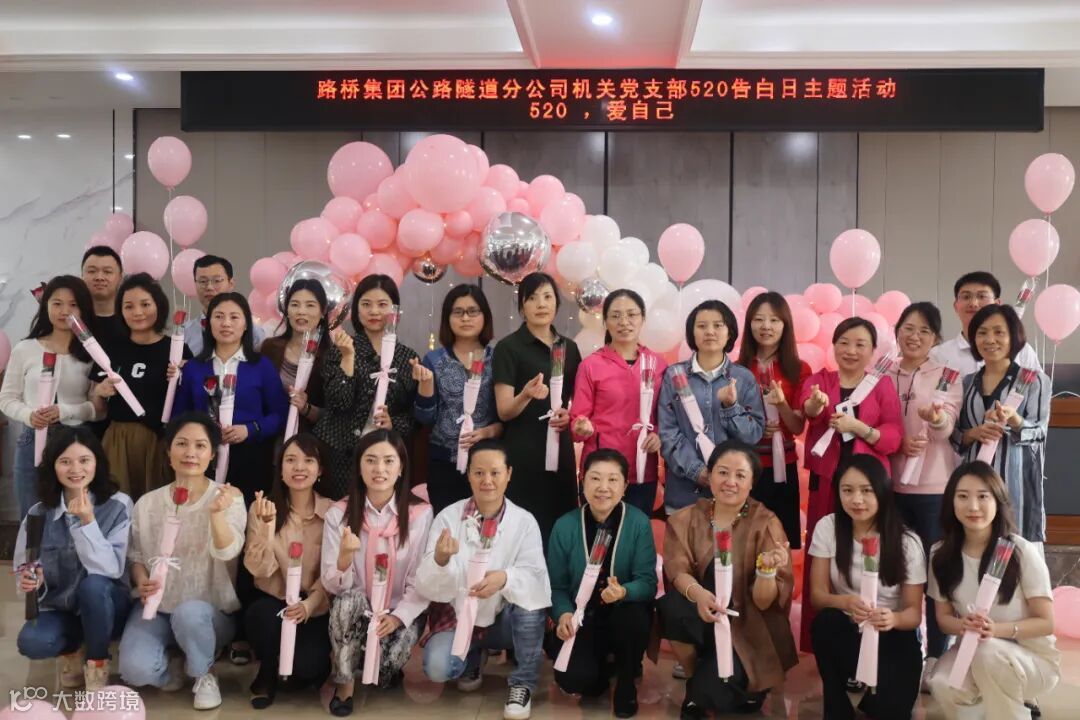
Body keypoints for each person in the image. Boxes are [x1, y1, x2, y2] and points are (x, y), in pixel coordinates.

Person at [118, 412, 247, 711]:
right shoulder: (148, 503)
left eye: (200, 446)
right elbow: (136, 555)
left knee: (190, 614)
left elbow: (228, 552)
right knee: (135, 670)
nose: (190, 453)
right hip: (158, 608)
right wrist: (141, 580)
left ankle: (204, 673)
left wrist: (216, 515)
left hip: (208, 612)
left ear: (212, 455)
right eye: (182, 444)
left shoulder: (228, 497)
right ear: (169, 451)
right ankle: (174, 668)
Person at [660, 439, 797, 719]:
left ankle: (720, 686)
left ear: (752, 482)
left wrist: (766, 570)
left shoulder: (766, 523)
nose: (730, 482)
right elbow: (677, 571)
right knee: (671, 606)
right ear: (709, 476)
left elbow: (765, 603)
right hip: (704, 617)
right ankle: (696, 678)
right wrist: (698, 594)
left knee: (719, 696)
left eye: (740, 475)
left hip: (748, 629)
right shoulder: (686, 519)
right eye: (722, 472)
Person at [420, 439, 551, 720]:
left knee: (531, 605)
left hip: (504, 621)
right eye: (479, 472)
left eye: (495, 472)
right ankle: (472, 657)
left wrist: (505, 578)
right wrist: (440, 560)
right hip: (458, 617)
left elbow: (536, 579)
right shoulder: (447, 518)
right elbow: (426, 585)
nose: (487, 480)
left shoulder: (524, 521)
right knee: (438, 668)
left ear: (509, 474)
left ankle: (522, 683)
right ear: (468, 474)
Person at [797, 317, 903, 650]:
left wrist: (859, 428)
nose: (851, 350)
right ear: (833, 345)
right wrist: (815, 405)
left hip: (868, 488)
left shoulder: (881, 385)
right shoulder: (820, 380)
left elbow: (893, 437)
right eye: (844, 342)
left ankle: (870, 634)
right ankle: (820, 640)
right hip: (826, 483)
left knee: (868, 552)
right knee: (822, 553)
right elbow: (809, 410)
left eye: (860, 344)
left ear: (872, 350)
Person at [928, 462, 1060, 720]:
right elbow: (943, 619)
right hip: (972, 651)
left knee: (988, 653)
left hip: (1032, 660)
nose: (973, 506)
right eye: (962, 496)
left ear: (998, 502)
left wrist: (995, 630)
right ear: (951, 502)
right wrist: (963, 625)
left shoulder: (1020, 552)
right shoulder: (940, 554)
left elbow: (1046, 623)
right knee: (943, 683)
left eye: (983, 496)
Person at [320, 429, 433, 717]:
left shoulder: (420, 514)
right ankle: (345, 683)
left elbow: (420, 579)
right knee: (348, 602)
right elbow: (333, 586)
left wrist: (397, 617)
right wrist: (344, 558)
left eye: (388, 461)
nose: (379, 469)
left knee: (385, 670)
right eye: (370, 460)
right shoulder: (339, 514)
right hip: (356, 609)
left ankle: (374, 662)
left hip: (396, 609)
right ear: (359, 467)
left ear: (401, 467)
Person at [13, 427, 132, 691]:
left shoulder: (118, 505)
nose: (75, 469)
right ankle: (73, 650)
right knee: (32, 642)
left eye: (84, 460)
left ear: (97, 462)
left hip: (109, 606)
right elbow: (23, 567)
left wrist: (87, 522)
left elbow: (111, 568)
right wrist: (32, 580)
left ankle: (97, 662)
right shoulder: (37, 513)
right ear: (52, 467)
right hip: (61, 608)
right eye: (65, 461)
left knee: (94, 585)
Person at [808, 454, 926, 720]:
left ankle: (868, 691)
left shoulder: (907, 542)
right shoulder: (828, 528)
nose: (856, 500)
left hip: (892, 633)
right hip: (848, 626)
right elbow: (817, 596)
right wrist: (844, 602)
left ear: (882, 491)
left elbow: (913, 614)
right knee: (825, 623)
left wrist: (893, 618)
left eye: (866, 490)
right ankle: (837, 706)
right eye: (847, 490)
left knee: (889, 711)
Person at [547, 449, 657, 718]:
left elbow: (648, 583)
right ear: (582, 481)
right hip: (583, 616)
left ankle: (626, 682)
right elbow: (556, 586)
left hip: (623, 612)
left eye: (612, 480)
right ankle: (604, 666)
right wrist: (563, 614)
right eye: (595, 478)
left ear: (625, 486)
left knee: (632, 617)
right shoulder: (565, 525)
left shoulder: (638, 523)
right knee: (575, 680)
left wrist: (624, 591)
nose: (603, 488)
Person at [888, 302, 961, 684]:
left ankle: (935, 654)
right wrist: (895, 442)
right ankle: (901, 648)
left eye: (924, 331)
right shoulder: (881, 371)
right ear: (897, 331)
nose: (914, 336)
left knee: (934, 572)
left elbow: (947, 427)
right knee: (898, 571)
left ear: (935, 338)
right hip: (889, 486)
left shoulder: (947, 374)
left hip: (933, 489)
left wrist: (936, 419)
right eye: (908, 328)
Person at [172, 292, 289, 506]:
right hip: (201, 458)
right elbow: (179, 416)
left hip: (251, 458)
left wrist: (250, 429)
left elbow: (280, 414)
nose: (226, 323)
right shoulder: (194, 368)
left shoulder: (261, 366)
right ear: (209, 323)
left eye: (234, 317)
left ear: (246, 325)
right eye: (219, 316)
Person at [244, 433, 333, 709]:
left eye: (308, 461)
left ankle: (299, 670)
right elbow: (258, 569)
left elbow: (333, 573)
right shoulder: (263, 507)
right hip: (275, 601)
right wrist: (266, 529)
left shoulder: (333, 512)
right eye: (291, 460)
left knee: (308, 668)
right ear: (280, 468)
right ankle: (267, 672)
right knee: (260, 617)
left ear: (320, 470)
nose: (299, 467)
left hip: (313, 605)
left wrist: (309, 605)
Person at [0, 275, 101, 517]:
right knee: (33, 515)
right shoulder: (25, 349)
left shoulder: (91, 353)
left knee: (73, 515)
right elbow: (7, 398)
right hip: (32, 440)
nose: (64, 311)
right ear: (46, 306)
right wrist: (29, 415)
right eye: (57, 303)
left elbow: (98, 410)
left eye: (73, 304)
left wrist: (65, 411)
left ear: (84, 309)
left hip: (76, 440)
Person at [492, 272, 582, 544]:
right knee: (523, 528)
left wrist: (570, 416)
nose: (541, 304)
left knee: (562, 525)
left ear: (556, 303)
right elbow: (504, 411)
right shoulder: (509, 348)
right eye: (532, 298)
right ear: (522, 307)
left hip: (561, 449)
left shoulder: (570, 348)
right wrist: (526, 395)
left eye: (547, 297)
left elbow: (578, 402)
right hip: (524, 451)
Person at [313, 274, 419, 500]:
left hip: (385, 458)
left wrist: (394, 423)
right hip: (341, 453)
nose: (374, 311)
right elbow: (337, 402)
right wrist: (348, 358)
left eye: (382, 304)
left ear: (395, 310)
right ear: (356, 309)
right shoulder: (340, 348)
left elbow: (413, 414)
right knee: (341, 512)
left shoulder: (407, 357)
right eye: (366, 304)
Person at [953, 304, 1050, 543]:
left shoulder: (1033, 380)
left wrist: (1015, 419)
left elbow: (1039, 433)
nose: (990, 340)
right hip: (975, 485)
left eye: (999, 332)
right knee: (975, 546)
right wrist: (973, 433)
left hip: (1016, 482)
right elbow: (956, 437)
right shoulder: (967, 382)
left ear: (1013, 337)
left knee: (1016, 549)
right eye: (982, 333)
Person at [658, 300, 765, 514]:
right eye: (702, 326)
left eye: (718, 325)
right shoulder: (675, 375)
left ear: (729, 332)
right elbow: (668, 432)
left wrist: (731, 407)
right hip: (684, 495)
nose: (710, 332)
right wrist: (698, 471)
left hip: (732, 492)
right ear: (692, 332)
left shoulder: (743, 378)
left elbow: (753, 434)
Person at [570, 289, 667, 515]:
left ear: (643, 318)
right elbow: (577, 421)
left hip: (642, 469)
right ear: (605, 321)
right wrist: (581, 426)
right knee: (597, 533)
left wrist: (659, 434)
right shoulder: (591, 365)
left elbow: (668, 417)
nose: (624, 322)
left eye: (631, 314)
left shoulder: (657, 365)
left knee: (635, 531)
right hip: (601, 471)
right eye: (615, 316)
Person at [89, 273, 180, 501]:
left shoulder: (176, 350)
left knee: (156, 506)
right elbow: (97, 408)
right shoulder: (110, 349)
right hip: (118, 441)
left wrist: (183, 375)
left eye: (145, 304)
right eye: (128, 306)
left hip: (159, 441)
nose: (137, 312)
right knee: (117, 505)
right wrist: (99, 392)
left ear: (159, 306)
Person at [414, 284, 502, 513]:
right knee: (447, 526)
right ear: (448, 318)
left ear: (485, 316)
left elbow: (506, 416)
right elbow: (425, 417)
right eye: (458, 312)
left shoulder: (498, 359)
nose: (465, 318)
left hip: (487, 464)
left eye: (472, 311)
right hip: (443, 463)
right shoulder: (434, 359)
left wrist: (487, 432)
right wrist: (425, 384)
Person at [737, 291, 811, 547]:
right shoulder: (737, 368)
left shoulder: (799, 369)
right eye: (758, 319)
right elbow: (727, 420)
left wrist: (781, 405)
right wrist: (753, 428)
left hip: (783, 467)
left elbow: (797, 426)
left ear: (785, 325)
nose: (766, 326)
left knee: (780, 544)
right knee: (745, 543)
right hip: (745, 467)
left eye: (774, 320)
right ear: (749, 324)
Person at [930, 271, 1041, 374]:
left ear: (997, 304)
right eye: (966, 297)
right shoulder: (939, 355)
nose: (973, 303)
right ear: (956, 306)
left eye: (982, 296)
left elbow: (1039, 386)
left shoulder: (1021, 350)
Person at [260, 278, 331, 436]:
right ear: (286, 310)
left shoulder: (332, 356)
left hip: (310, 442)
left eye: (310, 305)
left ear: (323, 311)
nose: (301, 311)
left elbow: (335, 416)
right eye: (294, 305)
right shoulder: (269, 348)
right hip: (269, 438)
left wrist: (306, 408)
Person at [183, 254, 265, 355]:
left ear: (231, 284)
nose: (209, 287)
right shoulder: (184, 332)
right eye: (203, 281)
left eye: (217, 281)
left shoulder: (253, 331)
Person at [81, 246, 126, 347]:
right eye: (92, 271)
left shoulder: (131, 319)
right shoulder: (75, 320)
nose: (99, 277)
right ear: (82, 276)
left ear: (120, 277)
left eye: (107, 272)